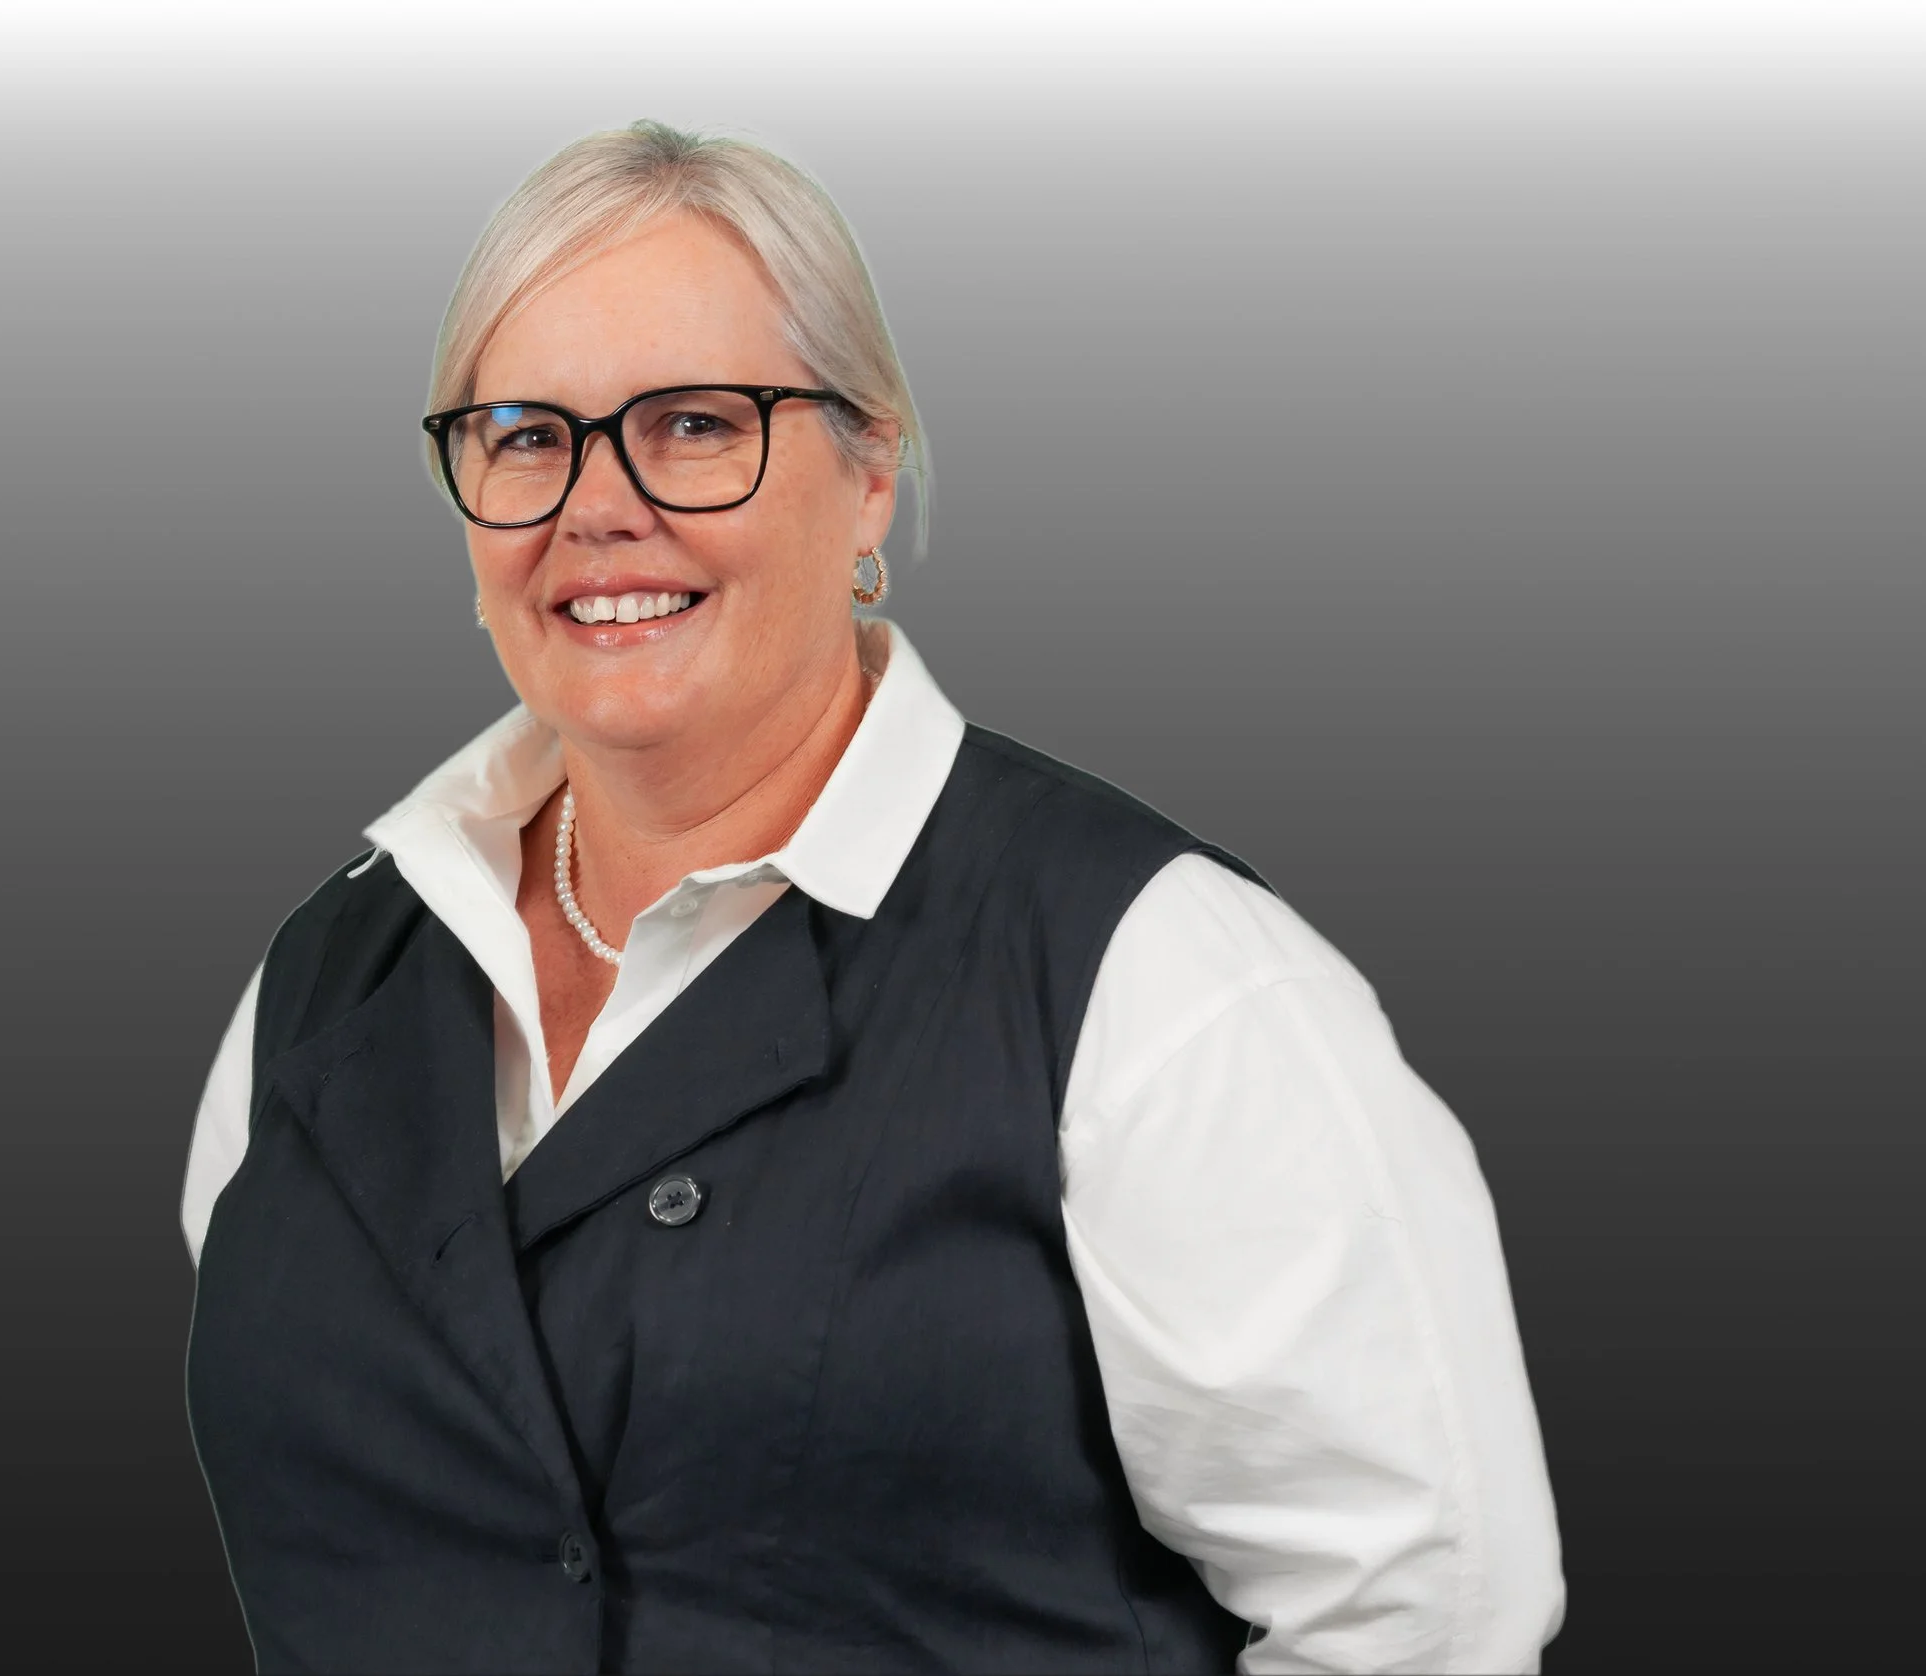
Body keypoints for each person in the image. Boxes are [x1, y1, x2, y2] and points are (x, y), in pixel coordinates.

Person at [180, 119, 1564, 1674]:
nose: (597, 504)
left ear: (868, 474)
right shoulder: (315, 990)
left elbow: (1423, 1623)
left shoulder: (1157, 985)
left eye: (696, 423)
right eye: (523, 432)